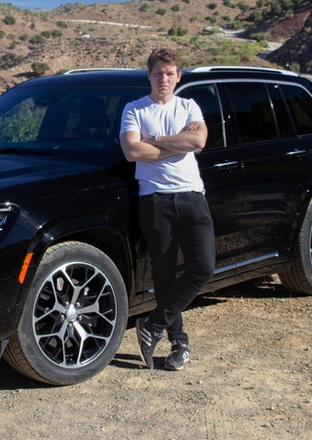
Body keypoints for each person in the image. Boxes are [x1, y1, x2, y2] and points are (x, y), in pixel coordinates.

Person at [119, 48, 215, 371]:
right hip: (155, 199)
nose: (164, 78)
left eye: (170, 73)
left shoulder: (189, 106)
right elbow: (132, 150)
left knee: (203, 267)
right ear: (148, 75)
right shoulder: (134, 109)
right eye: (158, 73)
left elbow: (199, 141)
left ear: (179, 77)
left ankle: (153, 324)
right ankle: (179, 343)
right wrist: (175, 144)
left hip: (191, 196)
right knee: (163, 274)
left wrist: (156, 140)